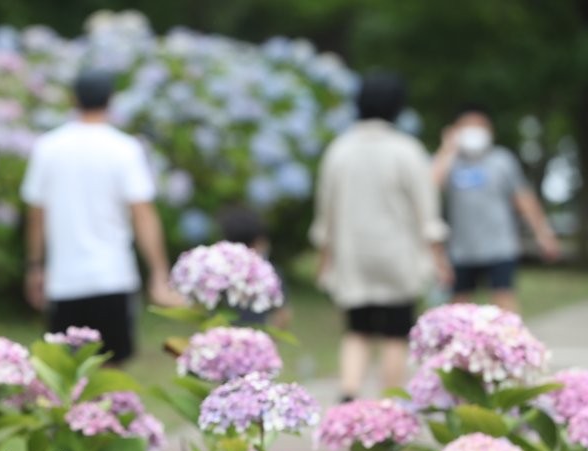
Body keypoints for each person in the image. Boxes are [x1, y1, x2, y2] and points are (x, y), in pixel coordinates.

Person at [21, 70, 182, 363]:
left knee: (67, 372)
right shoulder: (125, 148)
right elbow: (143, 214)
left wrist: (35, 266)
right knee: (113, 368)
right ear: (111, 100)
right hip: (113, 275)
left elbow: (36, 215)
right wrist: (159, 273)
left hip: (65, 279)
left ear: (73, 99)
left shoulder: (48, 147)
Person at [310, 72, 452, 401]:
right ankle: (389, 403)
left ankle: (349, 391)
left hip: (352, 255)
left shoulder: (339, 151)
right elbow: (427, 213)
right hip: (397, 256)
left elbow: (325, 215)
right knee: (395, 333)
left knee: (356, 329)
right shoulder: (406, 150)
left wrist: (324, 260)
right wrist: (438, 257)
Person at [431, 104, 561, 311]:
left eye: (479, 126)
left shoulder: (502, 160)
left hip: (499, 247)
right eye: (467, 127)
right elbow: (429, 187)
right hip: (462, 250)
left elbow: (524, 199)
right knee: (459, 308)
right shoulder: (451, 162)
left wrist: (543, 234)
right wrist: (447, 149)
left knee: (504, 303)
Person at [214, 205, 291, 329]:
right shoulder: (269, 272)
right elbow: (283, 315)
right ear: (258, 242)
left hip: (219, 337)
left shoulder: (216, 270)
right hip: (254, 337)